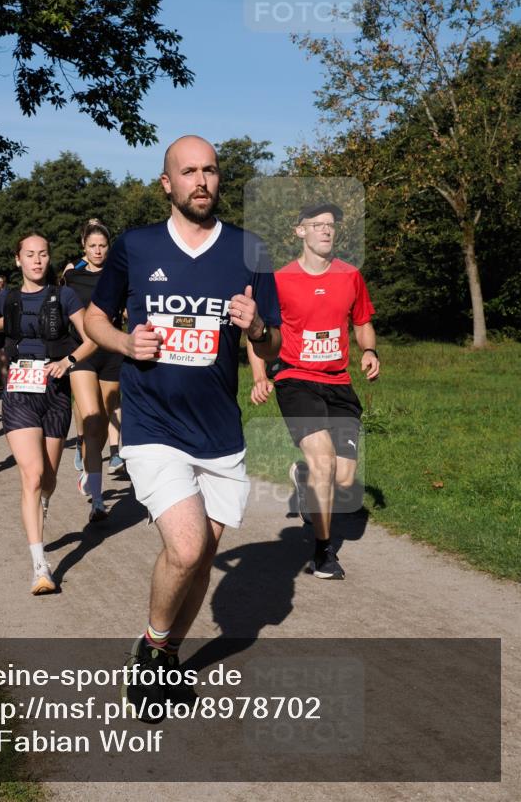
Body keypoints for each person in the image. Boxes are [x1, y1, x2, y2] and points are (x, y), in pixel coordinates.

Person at [85, 135, 281, 720]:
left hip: (219, 431)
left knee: (200, 559)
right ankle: (150, 655)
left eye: (211, 171)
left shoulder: (250, 250)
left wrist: (256, 328)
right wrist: (124, 341)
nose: (202, 181)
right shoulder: (135, 246)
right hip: (151, 423)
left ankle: (162, 652)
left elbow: (275, 340)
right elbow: (96, 318)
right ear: (167, 184)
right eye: (188, 171)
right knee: (188, 546)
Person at [248, 202, 379, 580]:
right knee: (326, 461)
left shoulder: (351, 276)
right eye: (317, 225)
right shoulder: (280, 280)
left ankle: (304, 477)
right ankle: (323, 552)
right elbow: (256, 333)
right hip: (295, 378)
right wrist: (260, 376)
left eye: (331, 225)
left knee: (343, 478)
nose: (326, 230)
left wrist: (369, 350)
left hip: (338, 383)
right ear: (299, 231)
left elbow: (363, 321)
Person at [0, 233, 97, 594]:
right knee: (32, 474)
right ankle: (40, 566)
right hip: (19, 392)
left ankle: (42, 503)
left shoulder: (65, 295)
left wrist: (68, 361)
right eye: (30, 255)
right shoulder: (5, 297)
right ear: (18, 260)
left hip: (55, 393)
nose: (37, 260)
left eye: (43, 254)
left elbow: (92, 337)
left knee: (49, 479)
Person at [63, 220, 124, 521]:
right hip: (81, 353)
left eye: (102, 246)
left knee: (102, 423)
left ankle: (90, 470)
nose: (98, 251)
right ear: (83, 248)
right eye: (92, 246)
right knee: (93, 418)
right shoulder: (72, 277)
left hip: (112, 353)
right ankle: (97, 500)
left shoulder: (118, 275)